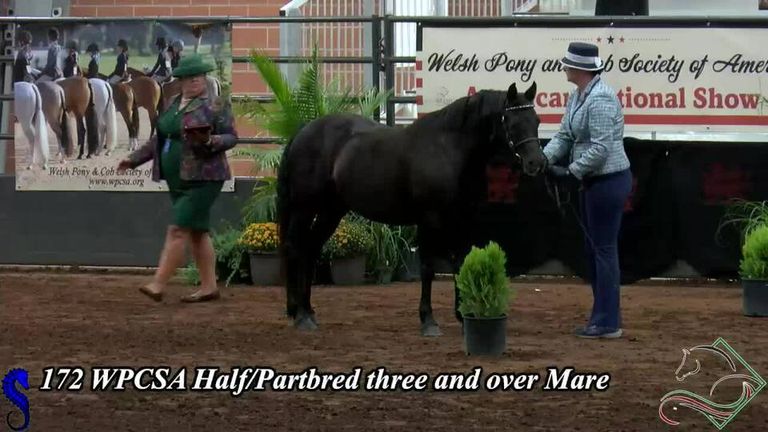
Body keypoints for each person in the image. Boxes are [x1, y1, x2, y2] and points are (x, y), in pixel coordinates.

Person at [117, 54, 238, 303]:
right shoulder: (172, 102)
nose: (195, 81)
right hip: (177, 178)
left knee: (178, 229)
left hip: (204, 178)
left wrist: (210, 140)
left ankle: (158, 284)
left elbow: (231, 137)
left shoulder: (216, 104)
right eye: (190, 77)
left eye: (199, 76)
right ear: (180, 80)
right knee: (197, 232)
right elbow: (159, 138)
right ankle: (209, 287)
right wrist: (134, 159)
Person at [543, 42, 632, 339]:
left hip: (608, 181)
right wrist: (544, 160)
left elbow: (601, 148)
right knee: (596, 250)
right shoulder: (578, 96)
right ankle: (605, 316)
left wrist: (571, 171)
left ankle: (607, 322)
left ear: (579, 69)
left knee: (603, 250)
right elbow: (564, 135)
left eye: (567, 64)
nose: (564, 68)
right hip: (593, 182)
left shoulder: (601, 98)